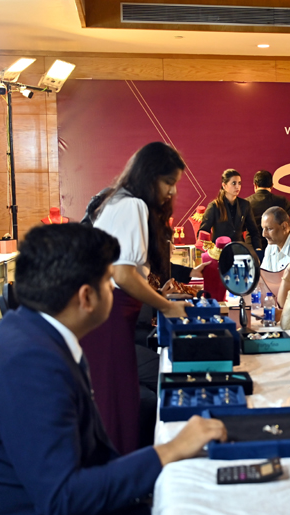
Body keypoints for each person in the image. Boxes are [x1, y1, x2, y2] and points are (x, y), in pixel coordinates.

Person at [0, 224, 226, 515]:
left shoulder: (30, 333)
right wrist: (170, 449)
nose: (114, 290)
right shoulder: (28, 364)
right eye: (110, 282)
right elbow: (63, 497)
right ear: (86, 297)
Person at [83, 142, 190, 455]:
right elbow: (124, 275)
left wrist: (157, 294)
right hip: (110, 316)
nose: (171, 192)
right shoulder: (133, 206)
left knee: (113, 396)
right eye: (168, 183)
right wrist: (167, 305)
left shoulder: (119, 201)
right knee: (115, 400)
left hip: (111, 315)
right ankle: (120, 480)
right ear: (150, 176)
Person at [198, 169, 262, 252]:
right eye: (233, 183)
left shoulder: (245, 205)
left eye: (239, 183)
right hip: (219, 252)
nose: (237, 186)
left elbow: (253, 231)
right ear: (224, 185)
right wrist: (209, 251)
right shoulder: (214, 206)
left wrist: (258, 249)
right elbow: (203, 232)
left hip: (239, 250)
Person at [247, 170, 290, 248]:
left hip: (252, 247)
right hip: (275, 246)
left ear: (255, 185)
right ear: (272, 185)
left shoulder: (246, 203)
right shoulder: (280, 201)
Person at [261, 206, 290, 272]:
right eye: (263, 229)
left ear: (284, 226)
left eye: (269, 229)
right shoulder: (270, 247)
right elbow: (264, 277)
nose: (264, 234)